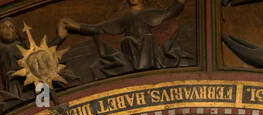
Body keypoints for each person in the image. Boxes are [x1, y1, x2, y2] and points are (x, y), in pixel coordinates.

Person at [61, 0, 189, 79]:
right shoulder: (125, 17)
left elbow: (171, 12)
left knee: (146, 39)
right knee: (129, 41)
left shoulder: (151, 13)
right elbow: (99, 28)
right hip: (130, 50)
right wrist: (76, 26)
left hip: (147, 48)